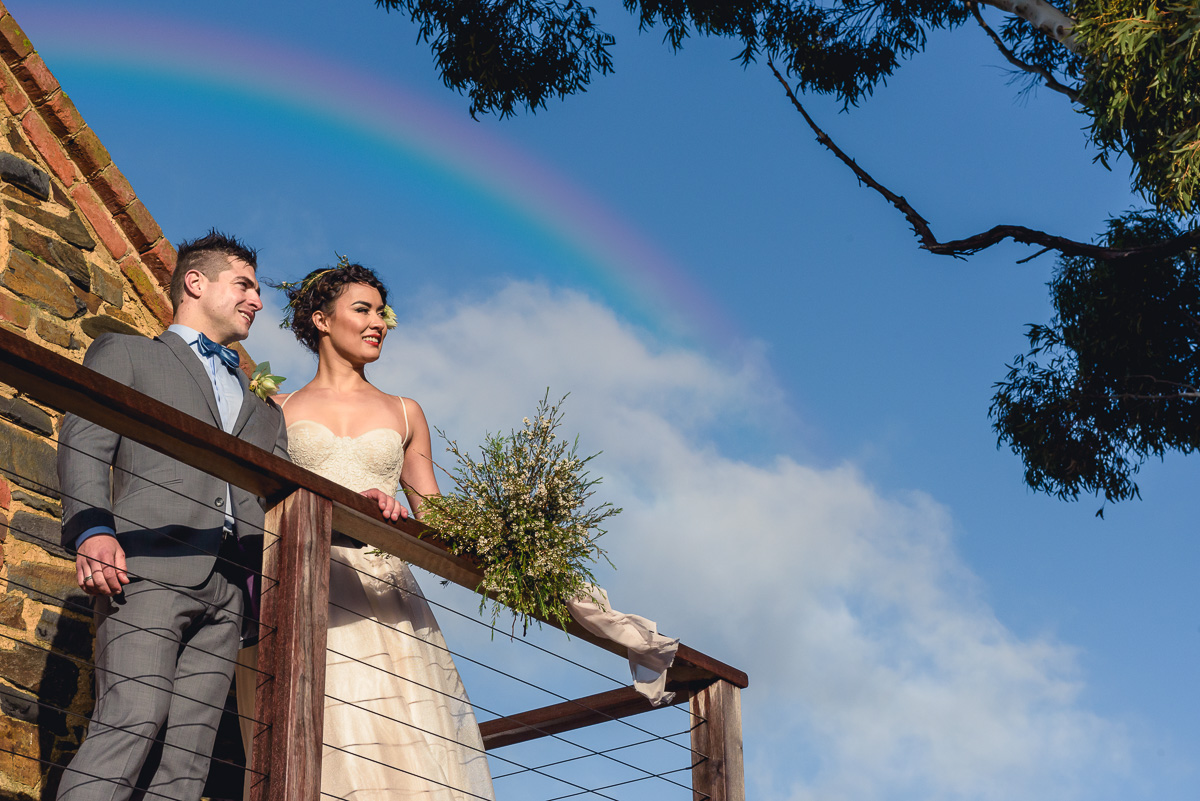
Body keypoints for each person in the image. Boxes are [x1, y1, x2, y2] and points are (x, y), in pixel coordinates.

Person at [236, 262, 494, 800]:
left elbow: (436, 519)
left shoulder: (405, 411)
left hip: (383, 594)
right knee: (321, 728)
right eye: (363, 310)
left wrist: (399, 516)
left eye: (383, 312)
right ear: (321, 321)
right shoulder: (276, 408)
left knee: (396, 741)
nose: (379, 322)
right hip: (303, 581)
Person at [56, 231, 289, 801]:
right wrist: (93, 530)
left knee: (190, 763)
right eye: (245, 286)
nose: (257, 301)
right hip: (147, 568)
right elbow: (84, 441)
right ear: (195, 282)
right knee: (131, 716)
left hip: (232, 591)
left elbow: (287, 498)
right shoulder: (129, 354)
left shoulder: (266, 411)